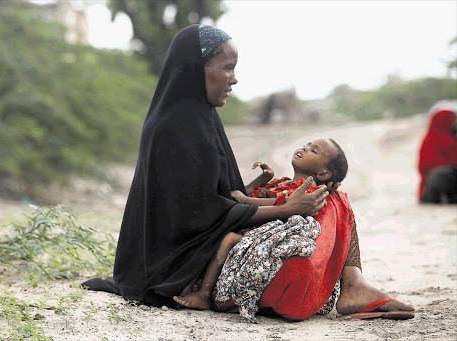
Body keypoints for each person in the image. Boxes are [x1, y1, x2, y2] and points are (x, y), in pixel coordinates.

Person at [81, 24, 413, 321]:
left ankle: (353, 285)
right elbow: (196, 216)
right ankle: (351, 285)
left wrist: (262, 191)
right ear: (197, 69)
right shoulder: (173, 127)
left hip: (206, 251)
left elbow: (218, 195)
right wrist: (285, 210)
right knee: (330, 206)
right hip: (184, 267)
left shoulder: (202, 118)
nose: (234, 79)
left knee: (334, 199)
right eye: (227, 68)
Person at [173, 137, 348, 310]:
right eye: (305, 145)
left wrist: (246, 201)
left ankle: (205, 293)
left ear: (323, 174)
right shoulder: (283, 182)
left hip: (264, 233)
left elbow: (282, 206)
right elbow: (252, 195)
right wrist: (263, 180)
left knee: (227, 239)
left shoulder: (309, 191)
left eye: (313, 150)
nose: (303, 148)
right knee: (208, 232)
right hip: (253, 225)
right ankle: (186, 285)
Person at [418, 107, 457, 203]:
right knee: (440, 174)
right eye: (454, 120)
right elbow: (425, 167)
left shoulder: (453, 139)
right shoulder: (431, 141)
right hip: (432, 189)